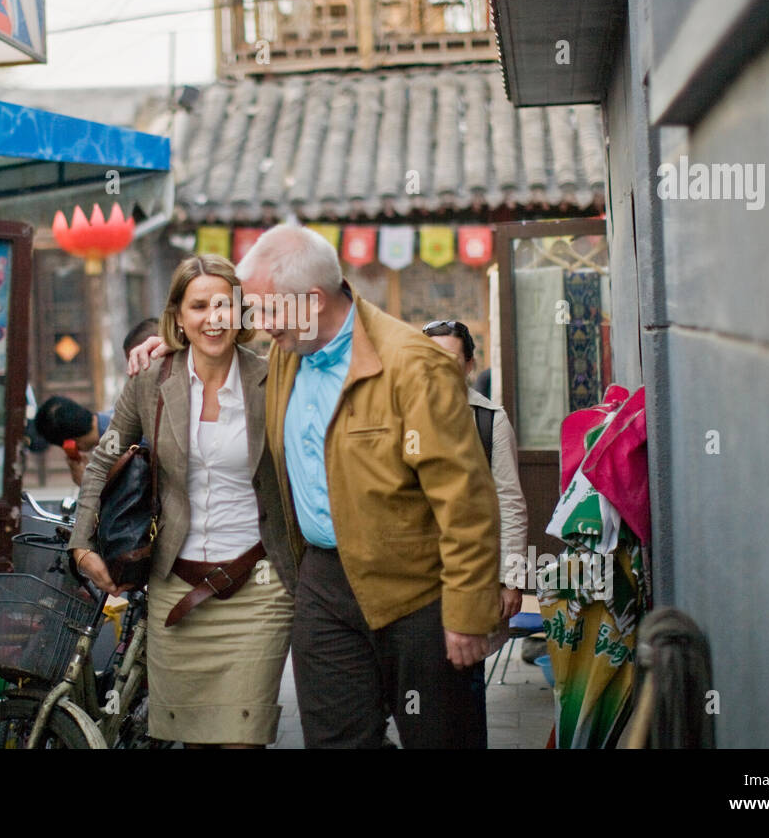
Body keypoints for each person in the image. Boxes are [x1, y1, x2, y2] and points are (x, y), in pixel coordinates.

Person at [131, 226, 502, 748]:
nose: (255, 323)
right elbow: (217, 343)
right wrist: (168, 348)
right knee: (335, 739)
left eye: (263, 309)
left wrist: (468, 611)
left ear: (313, 300)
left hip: (416, 588)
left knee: (440, 737)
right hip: (324, 583)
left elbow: (466, 500)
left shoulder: (414, 366)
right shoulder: (289, 349)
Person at [71, 254, 299, 748]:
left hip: (259, 587)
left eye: (224, 304)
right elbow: (101, 460)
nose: (213, 317)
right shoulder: (152, 380)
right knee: (193, 743)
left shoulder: (275, 379)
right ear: (177, 315)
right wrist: (81, 544)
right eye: (199, 306)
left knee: (243, 739)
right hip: (176, 589)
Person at [423, 318, 529, 747]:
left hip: (468, 581)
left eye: (450, 360)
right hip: (409, 582)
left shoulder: (489, 420)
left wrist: (511, 577)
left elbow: (511, 502)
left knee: (462, 693)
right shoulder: (395, 412)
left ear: (468, 365)